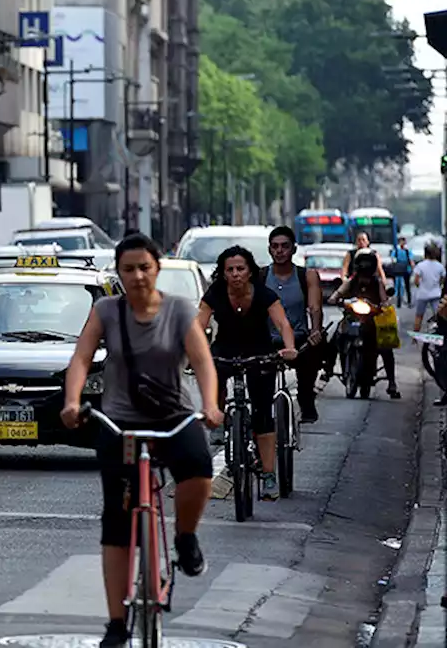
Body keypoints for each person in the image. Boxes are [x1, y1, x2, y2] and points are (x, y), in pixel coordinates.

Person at [62, 233, 221, 648]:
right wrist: (73, 401)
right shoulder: (106, 311)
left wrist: (211, 405)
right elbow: (81, 357)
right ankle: (116, 624)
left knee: (199, 468)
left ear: (157, 268)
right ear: (118, 273)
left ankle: (186, 537)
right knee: (116, 519)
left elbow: (202, 361)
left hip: (173, 418)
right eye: (128, 269)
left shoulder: (179, 311)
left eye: (144, 267)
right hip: (120, 425)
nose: (137, 276)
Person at [197, 246, 297, 501]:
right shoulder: (215, 293)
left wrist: (288, 348)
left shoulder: (264, 294)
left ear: (250, 271)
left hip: (259, 350)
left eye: (240, 269)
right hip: (225, 349)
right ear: (223, 273)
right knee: (213, 374)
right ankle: (219, 421)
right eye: (230, 270)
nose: (235, 274)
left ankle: (268, 474)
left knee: (263, 412)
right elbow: (199, 324)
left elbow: (283, 323)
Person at [262, 227, 325, 424]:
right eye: (275, 247)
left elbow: (315, 307)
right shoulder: (260, 276)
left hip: (298, 339)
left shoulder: (307, 276)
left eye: (285, 246)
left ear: (294, 249)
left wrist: (315, 330)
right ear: (269, 250)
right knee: (261, 387)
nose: (280, 251)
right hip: (268, 340)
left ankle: (306, 399)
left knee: (313, 355)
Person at [327, 248, 400, 399]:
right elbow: (338, 293)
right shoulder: (352, 280)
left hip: (371, 321)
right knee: (334, 337)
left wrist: (384, 305)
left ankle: (392, 382)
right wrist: (336, 299)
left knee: (386, 347)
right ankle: (328, 370)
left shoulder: (377, 282)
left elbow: (384, 299)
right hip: (351, 318)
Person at [411, 241, 444, 333]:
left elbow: (416, 280)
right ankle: (439, 332)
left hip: (422, 294)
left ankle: (415, 336)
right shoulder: (440, 266)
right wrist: (438, 285)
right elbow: (442, 279)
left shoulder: (420, 265)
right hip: (436, 294)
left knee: (419, 316)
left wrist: (420, 286)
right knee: (438, 315)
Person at [389, 236, 414, 307]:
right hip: (398, 270)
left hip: (406, 270)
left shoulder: (407, 251)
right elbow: (392, 258)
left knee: (407, 286)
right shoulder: (396, 250)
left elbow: (411, 259)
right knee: (398, 284)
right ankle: (398, 300)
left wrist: (412, 266)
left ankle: (409, 301)